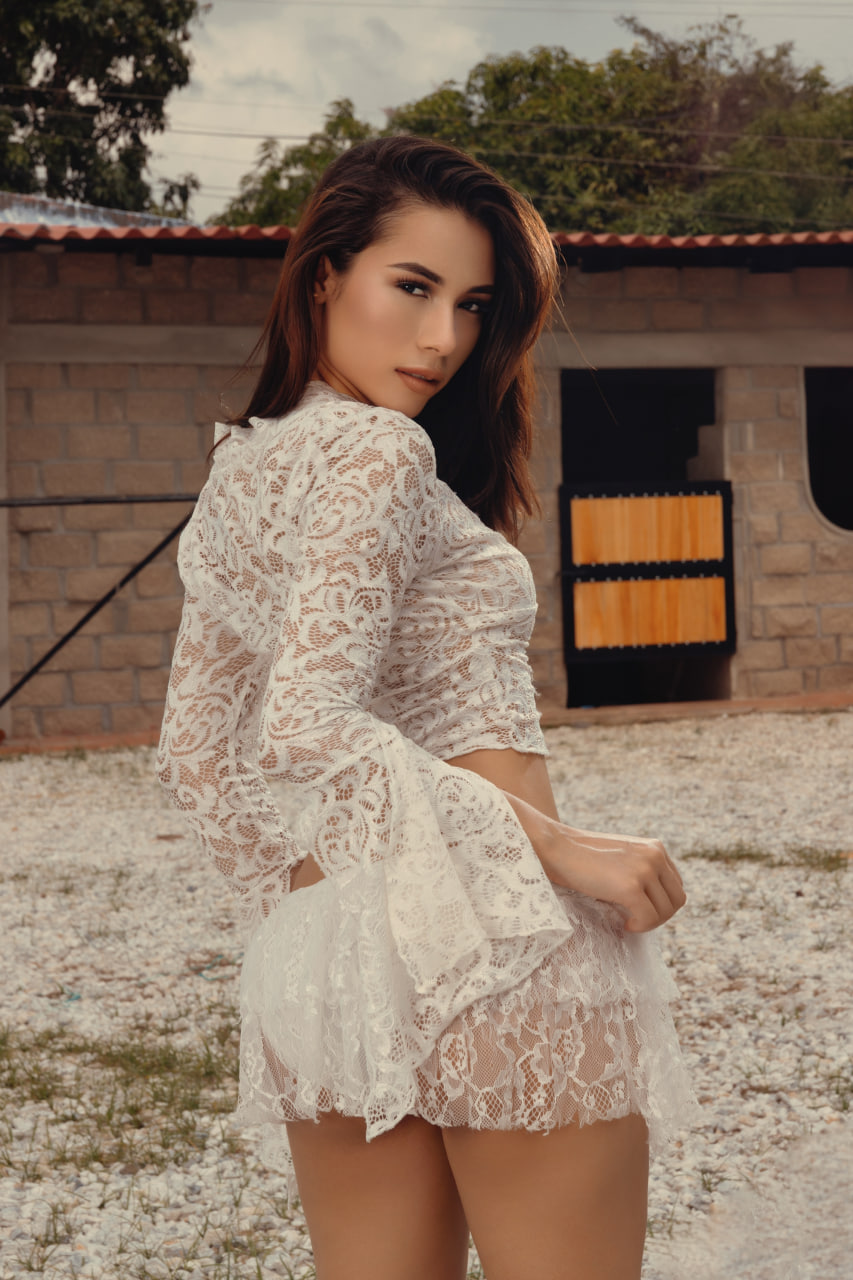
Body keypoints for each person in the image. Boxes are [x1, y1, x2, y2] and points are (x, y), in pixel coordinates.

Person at [158, 135, 694, 1280]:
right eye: (412, 286)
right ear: (324, 277)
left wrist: (322, 922)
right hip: (501, 933)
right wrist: (558, 847)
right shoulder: (382, 450)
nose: (445, 337)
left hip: (328, 967)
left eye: (472, 304)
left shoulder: (237, 474)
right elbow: (303, 725)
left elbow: (197, 757)